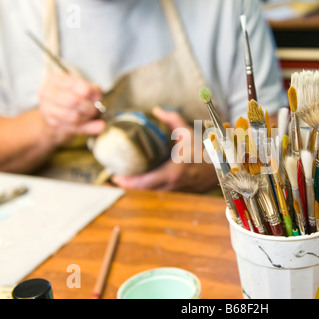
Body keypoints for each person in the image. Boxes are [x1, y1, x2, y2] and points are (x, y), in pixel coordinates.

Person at [0, 0, 287, 193]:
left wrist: (214, 166)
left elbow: (269, 138)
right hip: (55, 227)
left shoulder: (224, 7)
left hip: (195, 218)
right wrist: (47, 126)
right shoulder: (13, 14)